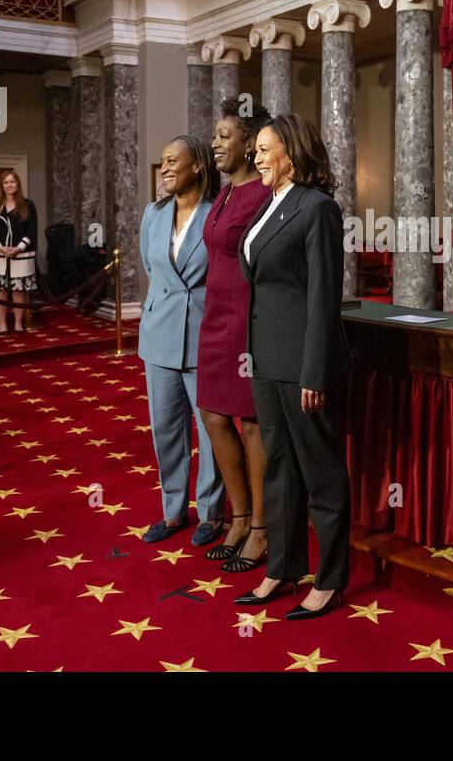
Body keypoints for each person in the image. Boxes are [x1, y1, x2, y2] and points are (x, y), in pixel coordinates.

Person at [235, 114, 350, 620]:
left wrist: (314, 372)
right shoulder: (269, 204)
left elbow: (323, 297)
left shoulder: (317, 207)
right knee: (279, 470)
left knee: (320, 474)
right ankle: (282, 568)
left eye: (264, 149)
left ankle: (330, 580)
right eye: (255, 150)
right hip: (265, 360)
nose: (256, 157)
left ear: (292, 151)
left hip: (302, 365)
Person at [137, 135, 225, 544]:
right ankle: (173, 512)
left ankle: (211, 513)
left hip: (203, 338)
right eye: (164, 161)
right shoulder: (153, 214)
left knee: (211, 434)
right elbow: (151, 269)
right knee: (166, 430)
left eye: (175, 161)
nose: (166, 168)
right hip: (158, 338)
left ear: (198, 167)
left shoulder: (216, 214)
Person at [198, 97, 273, 569]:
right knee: (212, 414)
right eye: (214, 136)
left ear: (248, 144)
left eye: (224, 136)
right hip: (215, 318)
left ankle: (261, 527)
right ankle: (240, 516)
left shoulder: (264, 193)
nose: (214, 143)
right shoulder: (224, 192)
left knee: (251, 422)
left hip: (248, 319)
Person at [0, 170, 38, 333]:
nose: (9, 185)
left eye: (12, 182)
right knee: (0, 291)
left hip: (21, 254)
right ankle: (2, 324)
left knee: (18, 291)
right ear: (1, 185)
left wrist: (19, 247)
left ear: (17, 184)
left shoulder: (28, 205)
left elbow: (32, 230)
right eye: (6, 182)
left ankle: (18, 324)